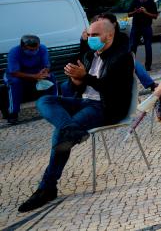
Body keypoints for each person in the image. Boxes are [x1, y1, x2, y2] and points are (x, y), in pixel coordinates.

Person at [18, 19, 133, 213]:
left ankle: (47, 187)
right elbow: (76, 88)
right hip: (85, 102)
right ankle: (70, 129)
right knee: (45, 101)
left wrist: (85, 77)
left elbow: (114, 91)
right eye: (89, 35)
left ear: (109, 35)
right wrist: (76, 80)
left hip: (105, 107)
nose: (90, 38)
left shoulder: (122, 57)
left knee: (60, 134)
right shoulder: (89, 55)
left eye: (95, 35)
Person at [2, 35, 56, 125]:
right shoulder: (14, 52)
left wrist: (45, 71)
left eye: (36, 49)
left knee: (51, 77)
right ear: (23, 47)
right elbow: (14, 72)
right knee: (15, 83)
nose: (34, 51)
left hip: (35, 73)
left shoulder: (42, 48)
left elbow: (47, 65)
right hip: (15, 75)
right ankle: (13, 112)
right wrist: (34, 76)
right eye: (31, 50)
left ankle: (54, 105)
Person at [128, 0, 158, 71]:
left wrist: (145, 12)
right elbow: (129, 14)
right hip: (136, 26)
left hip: (146, 26)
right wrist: (135, 11)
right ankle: (131, 65)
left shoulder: (151, 2)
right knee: (132, 46)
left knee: (148, 46)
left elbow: (155, 16)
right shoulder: (135, 0)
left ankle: (148, 66)